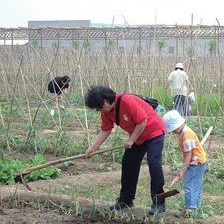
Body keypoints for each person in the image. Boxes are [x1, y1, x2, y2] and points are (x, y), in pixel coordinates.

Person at [84, 86, 166, 215]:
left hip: (153, 131)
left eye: (99, 107)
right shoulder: (106, 111)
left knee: (154, 164)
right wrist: (93, 148)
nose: (99, 110)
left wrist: (131, 140)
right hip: (138, 136)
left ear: (105, 101)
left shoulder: (127, 100)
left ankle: (159, 203)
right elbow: (106, 129)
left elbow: (142, 122)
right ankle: (126, 200)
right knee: (128, 163)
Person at [163, 110, 207, 215]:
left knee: (190, 185)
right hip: (198, 161)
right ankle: (196, 207)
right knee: (195, 184)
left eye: (173, 129)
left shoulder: (187, 136)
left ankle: (190, 209)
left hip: (195, 163)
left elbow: (188, 156)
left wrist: (182, 171)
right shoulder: (185, 131)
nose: (172, 131)